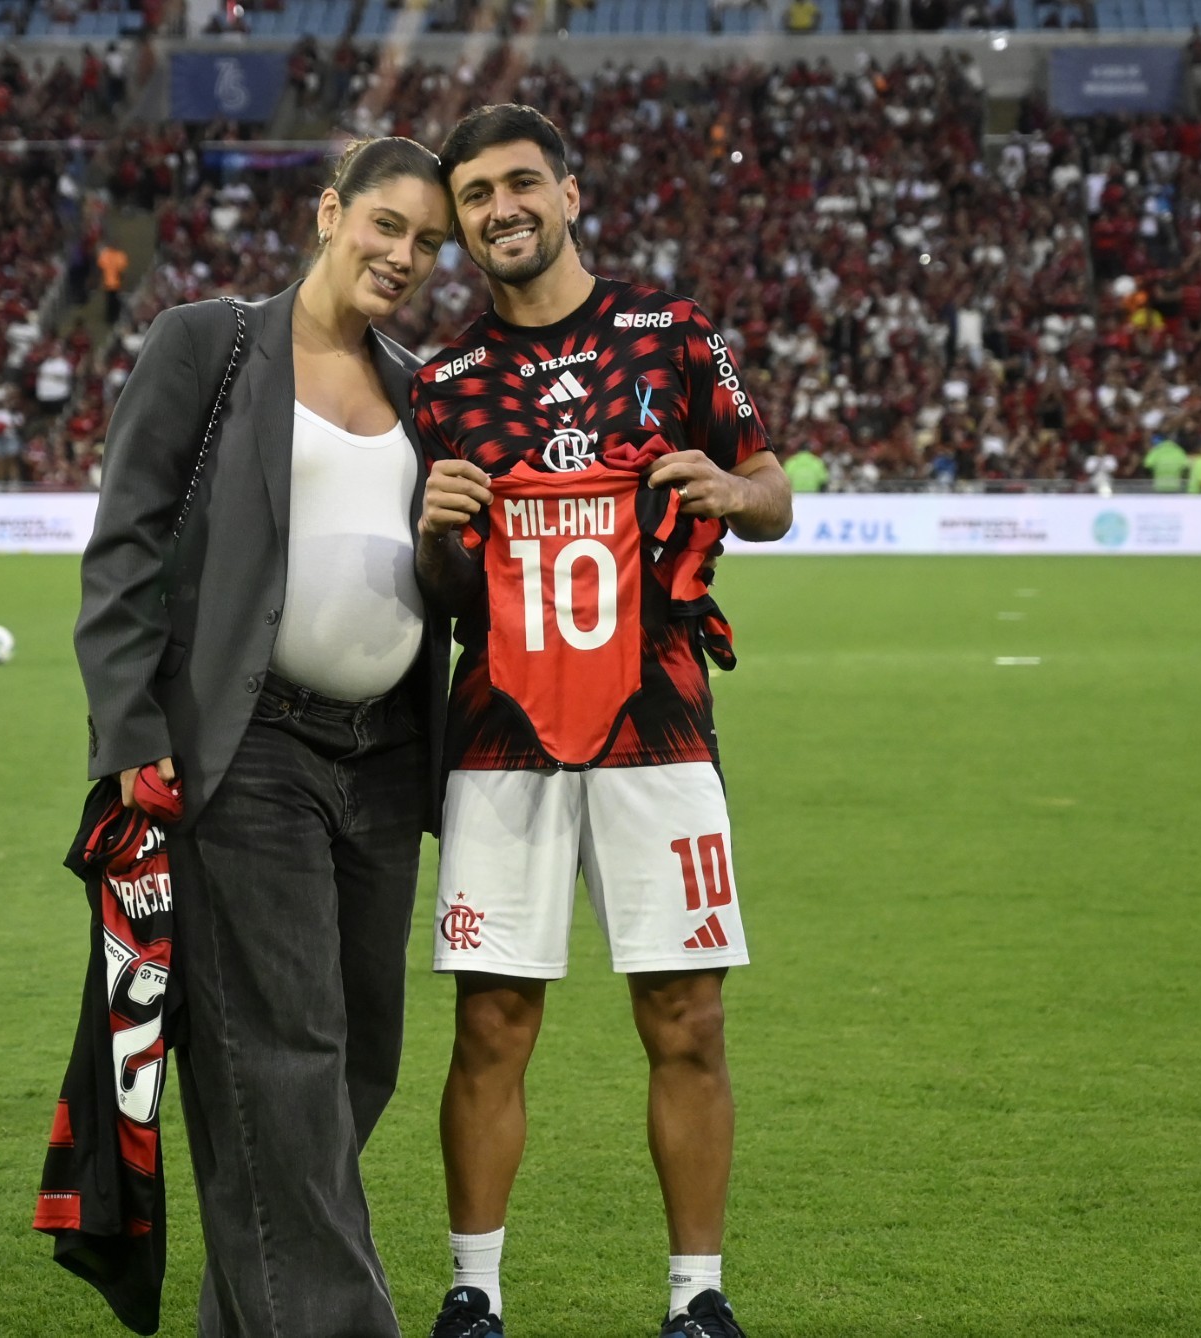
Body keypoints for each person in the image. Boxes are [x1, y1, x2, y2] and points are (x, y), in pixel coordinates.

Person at [410, 105, 792, 1338]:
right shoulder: (449, 383)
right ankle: (474, 1296)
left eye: (521, 183)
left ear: (570, 193)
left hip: (661, 725)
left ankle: (699, 1302)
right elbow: (446, 596)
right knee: (491, 1022)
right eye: (475, 195)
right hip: (501, 735)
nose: (500, 209)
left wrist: (731, 487)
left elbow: (773, 489)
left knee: (686, 1015)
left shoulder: (670, 335)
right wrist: (434, 535)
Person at [73, 137, 453, 1338]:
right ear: (333, 212)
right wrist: (131, 729)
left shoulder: (420, 384)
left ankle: (245, 1319)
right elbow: (126, 542)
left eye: (428, 243)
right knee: (285, 1059)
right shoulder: (210, 341)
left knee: (355, 1065)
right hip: (250, 752)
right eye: (387, 225)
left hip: (386, 759)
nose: (404, 256)